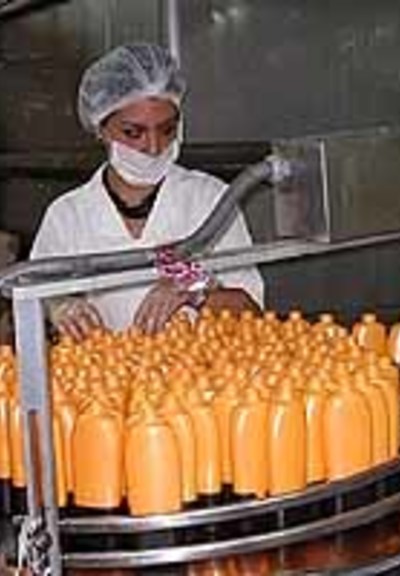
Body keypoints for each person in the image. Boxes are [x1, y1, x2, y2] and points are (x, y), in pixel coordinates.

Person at [30, 42, 264, 340]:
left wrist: (195, 289)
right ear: (100, 129)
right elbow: (33, 297)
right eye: (133, 132)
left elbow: (252, 312)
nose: (153, 147)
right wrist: (60, 307)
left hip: (202, 366)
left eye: (167, 130)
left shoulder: (209, 198)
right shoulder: (69, 215)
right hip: (110, 367)